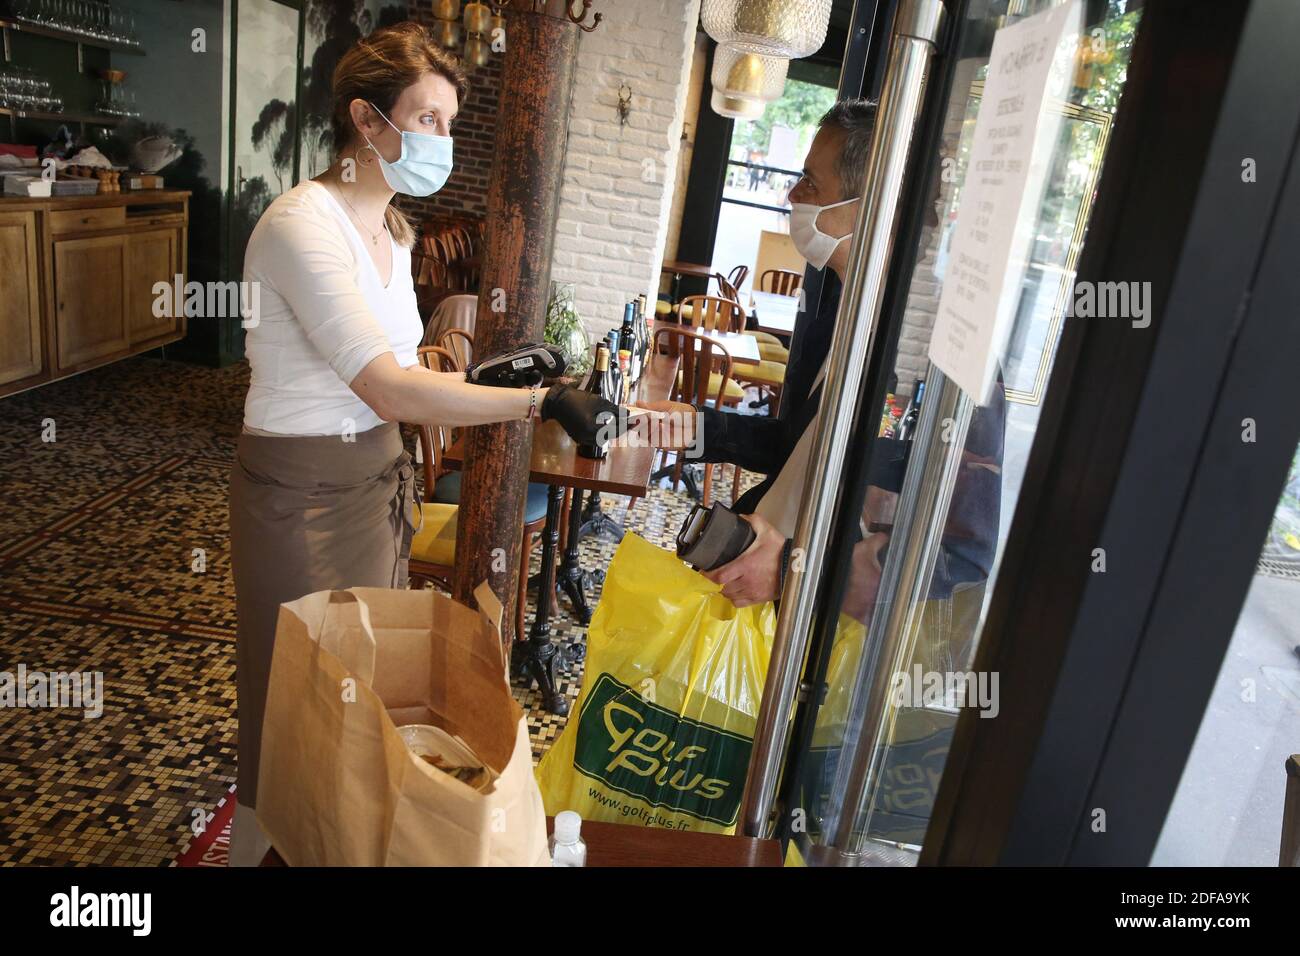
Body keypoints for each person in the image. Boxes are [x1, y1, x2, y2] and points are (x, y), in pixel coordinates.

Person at [227, 22, 616, 865]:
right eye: (428, 119)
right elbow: (386, 386)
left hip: (373, 479)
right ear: (367, 123)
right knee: (292, 703)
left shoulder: (392, 232)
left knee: (360, 700)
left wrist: (503, 374)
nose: (440, 139)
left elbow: (403, 366)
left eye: (446, 120)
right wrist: (537, 401)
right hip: (300, 494)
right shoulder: (304, 223)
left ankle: (338, 843)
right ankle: (261, 850)